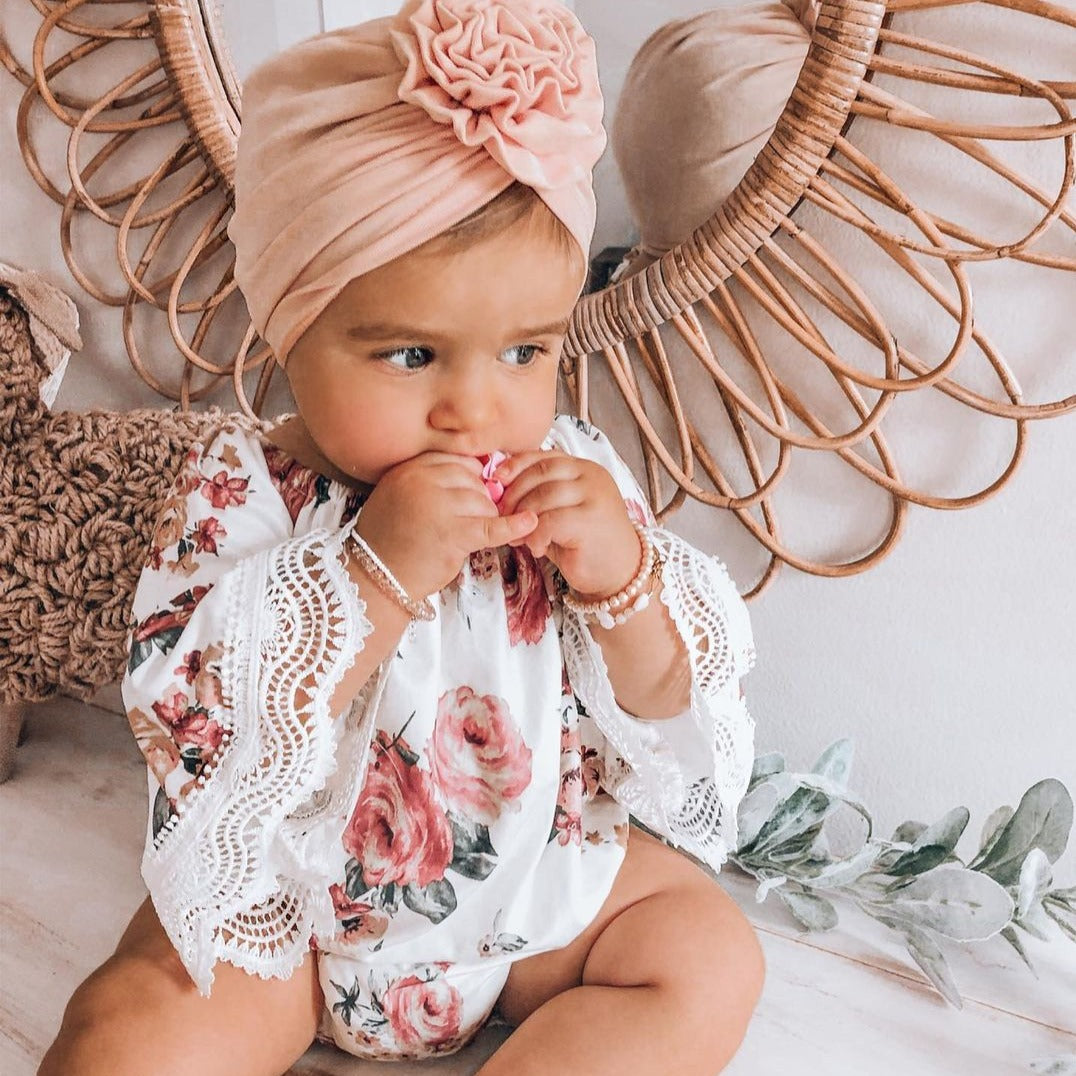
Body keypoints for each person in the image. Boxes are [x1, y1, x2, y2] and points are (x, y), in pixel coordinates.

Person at [38, 2, 764, 1073]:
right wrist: (373, 571)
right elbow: (200, 725)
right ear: (291, 328)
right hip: (289, 919)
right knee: (128, 1032)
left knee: (707, 956)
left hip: (533, 892)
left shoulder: (572, 476)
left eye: (523, 352)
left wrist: (621, 582)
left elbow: (669, 698)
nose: (475, 408)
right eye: (413, 356)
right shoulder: (241, 491)